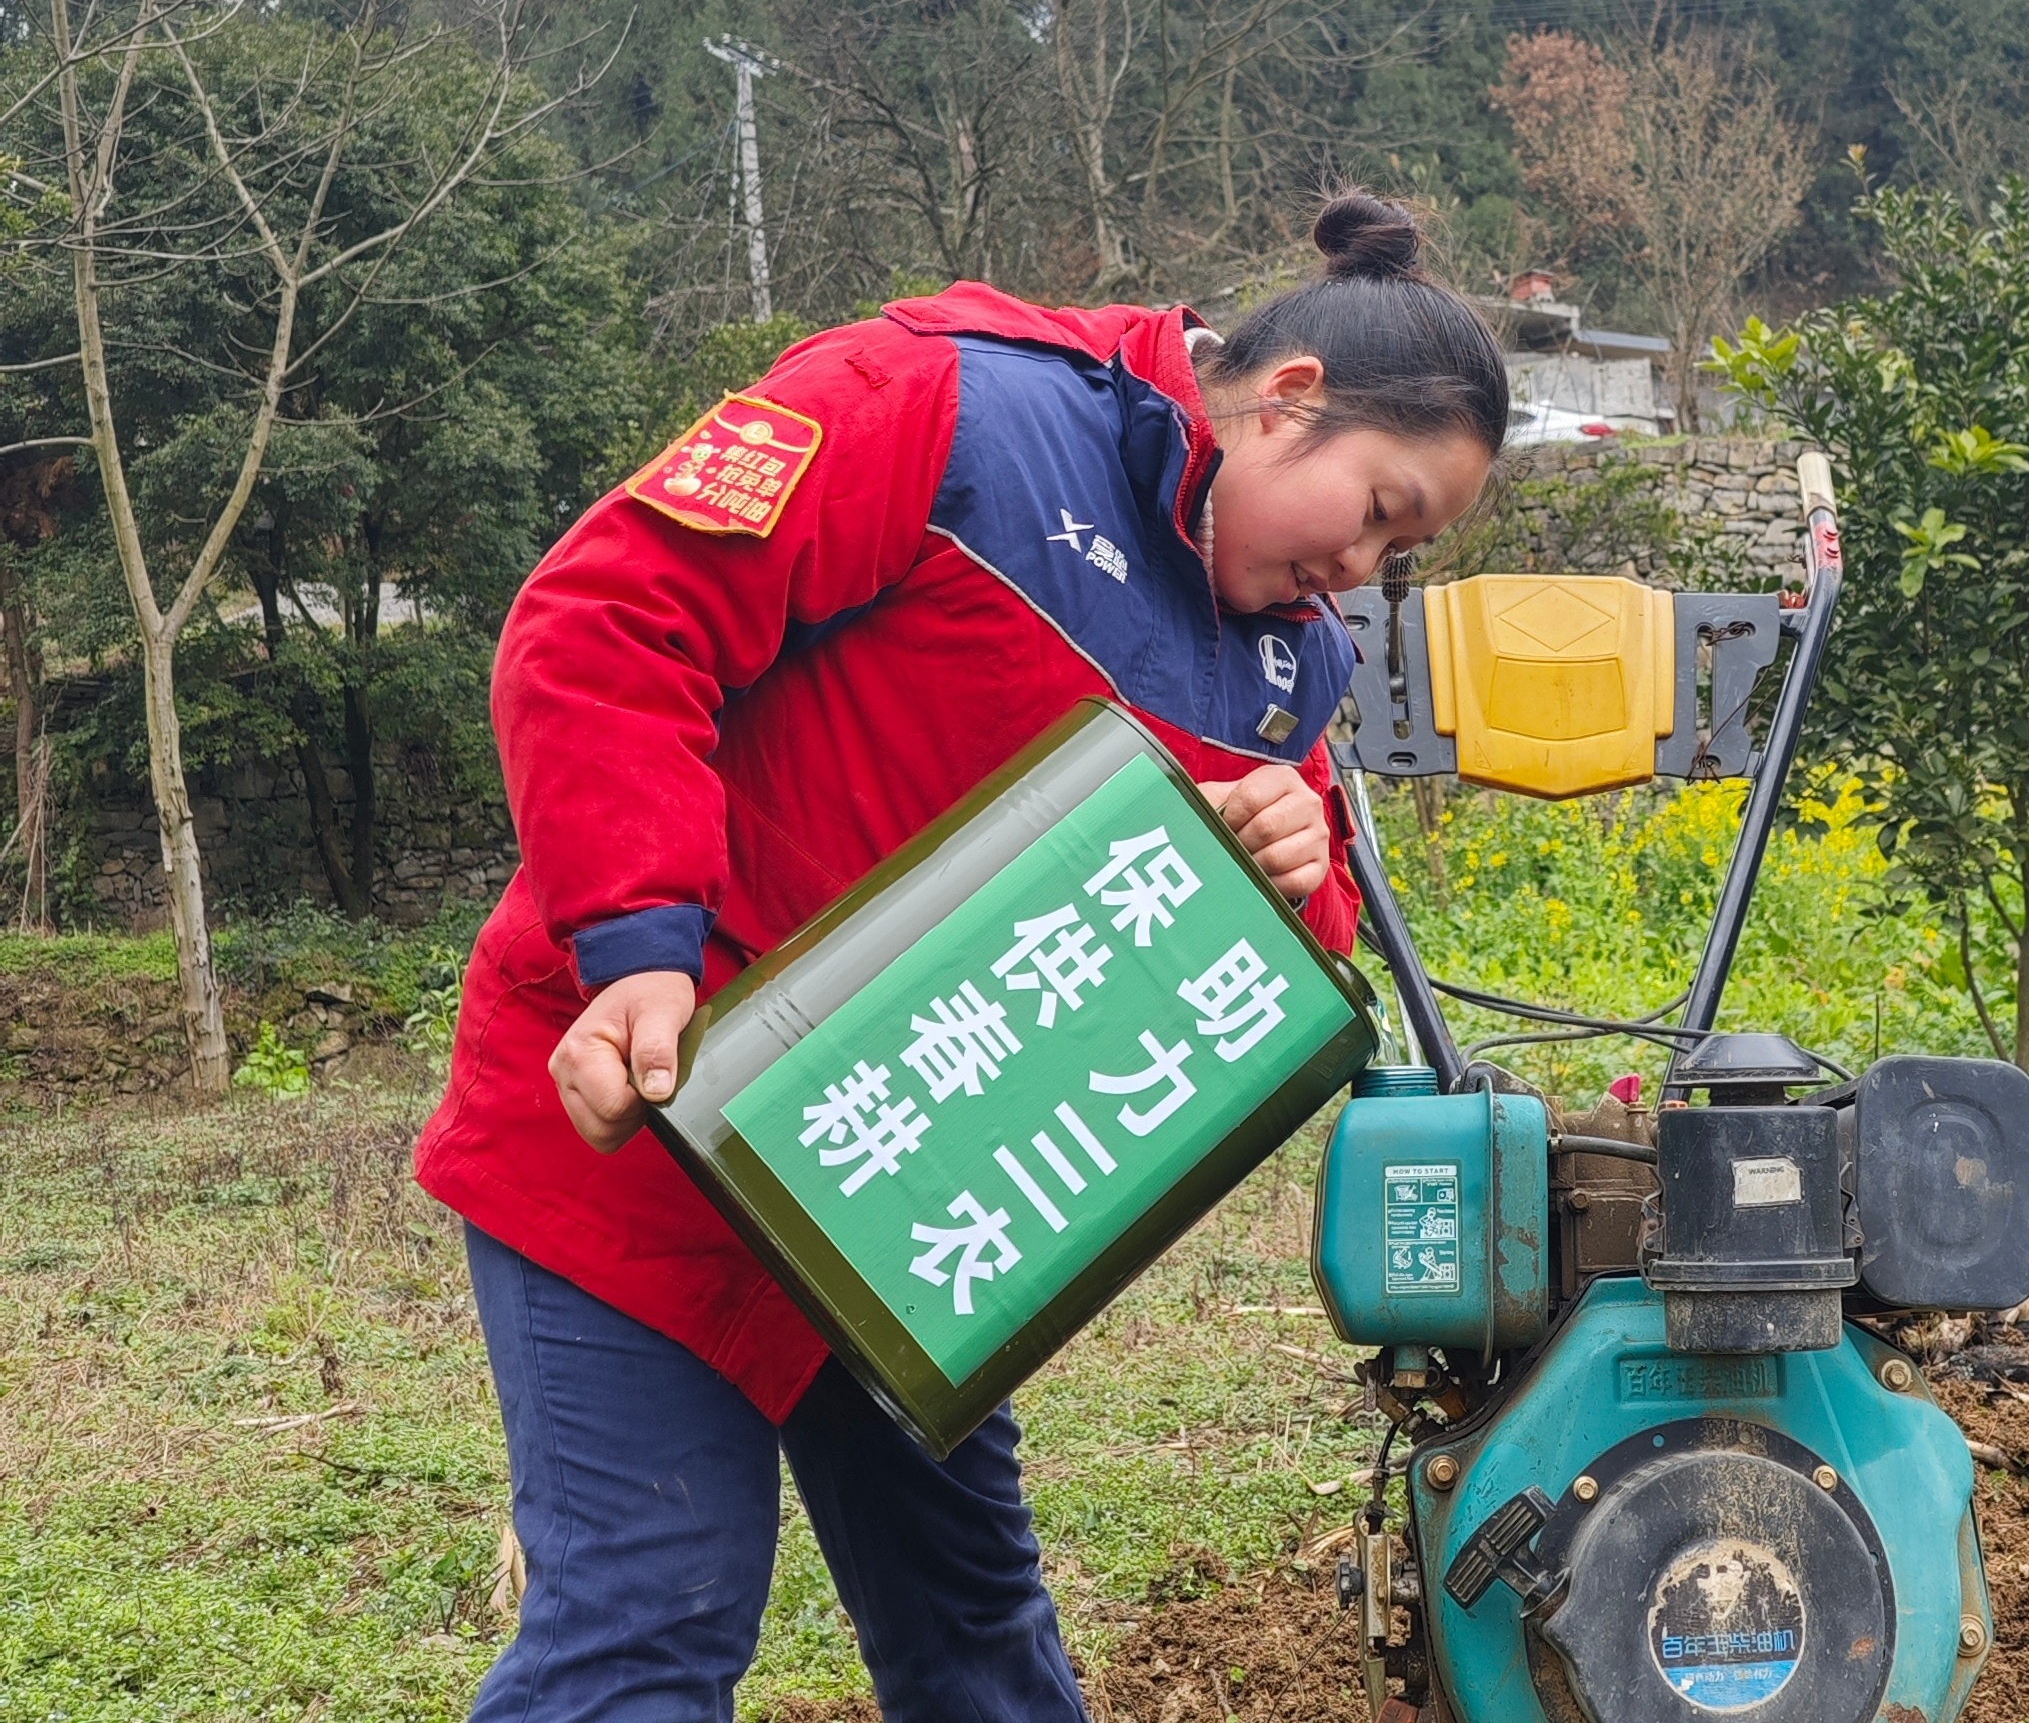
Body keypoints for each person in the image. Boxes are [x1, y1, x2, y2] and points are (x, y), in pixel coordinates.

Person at [412, 193, 1506, 1723]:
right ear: (1289, 399)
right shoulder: (945, 410)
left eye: (1406, 551)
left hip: (899, 1207)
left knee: (975, 1634)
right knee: (649, 1618)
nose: (1366, 573)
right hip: (649, 1109)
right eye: (1380, 511)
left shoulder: (1286, 661)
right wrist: (639, 946)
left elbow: (1258, 953)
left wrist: (1291, 868)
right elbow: (610, 621)